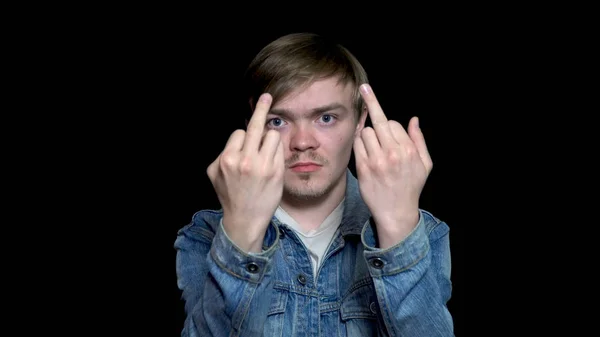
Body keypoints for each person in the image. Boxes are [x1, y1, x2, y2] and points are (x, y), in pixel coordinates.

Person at [174, 32, 454, 336]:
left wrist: (398, 227)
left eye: (326, 118)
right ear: (252, 126)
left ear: (360, 120)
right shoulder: (205, 235)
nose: (303, 142)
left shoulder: (426, 234)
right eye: (278, 121)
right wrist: (242, 230)